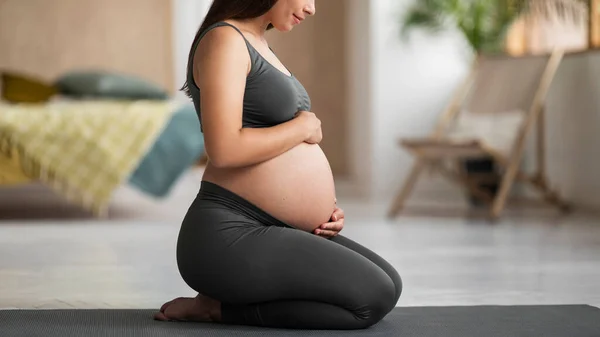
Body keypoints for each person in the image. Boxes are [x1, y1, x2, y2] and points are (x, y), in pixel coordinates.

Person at [155, 0, 402, 330]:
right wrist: (302, 127)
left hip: (270, 226)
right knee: (373, 296)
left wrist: (319, 209)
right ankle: (217, 309)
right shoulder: (225, 40)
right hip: (228, 234)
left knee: (391, 283)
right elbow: (224, 150)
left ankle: (225, 301)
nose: (312, 8)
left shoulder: (258, 43)